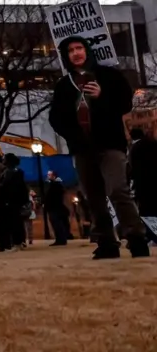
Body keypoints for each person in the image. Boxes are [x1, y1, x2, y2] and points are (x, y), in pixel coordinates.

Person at [48, 36, 149, 258]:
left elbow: (125, 103)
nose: (76, 53)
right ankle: (106, 242)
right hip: (82, 149)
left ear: (87, 50)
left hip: (110, 144)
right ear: (66, 56)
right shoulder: (64, 85)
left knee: (117, 190)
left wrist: (102, 96)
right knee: (93, 197)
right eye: (71, 50)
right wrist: (72, 136)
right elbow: (55, 118)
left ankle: (136, 237)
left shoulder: (109, 76)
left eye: (79, 48)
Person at [128, 127, 157, 218]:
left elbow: (132, 169)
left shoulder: (134, 149)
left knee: (147, 215)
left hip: (143, 187)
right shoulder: (153, 143)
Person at [43, 170, 70, 246]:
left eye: (49, 175)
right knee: (56, 224)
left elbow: (52, 196)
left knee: (57, 223)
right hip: (54, 207)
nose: (48, 176)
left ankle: (61, 239)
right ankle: (60, 239)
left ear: (54, 176)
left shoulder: (56, 185)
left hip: (55, 207)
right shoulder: (54, 184)